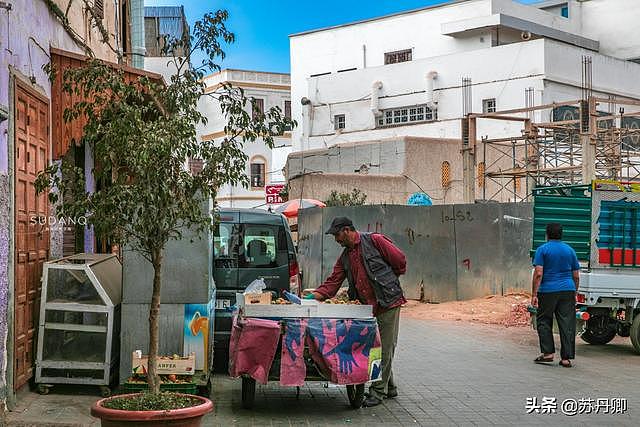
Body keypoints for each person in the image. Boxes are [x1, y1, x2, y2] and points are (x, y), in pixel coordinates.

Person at [304, 216, 407, 406]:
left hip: (387, 303)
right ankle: (389, 387)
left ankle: (377, 393)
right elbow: (333, 283)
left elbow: (400, 261)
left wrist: (389, 280)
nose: (336, 239)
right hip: (367, 308)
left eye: (337, 235)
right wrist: (312, 298)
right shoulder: (345, 257)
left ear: (346, 230)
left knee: (384, 348)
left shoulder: (375, 241)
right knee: (378, 347)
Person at [531, 222, 580, 368]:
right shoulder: (570, 250)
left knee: (544, 320)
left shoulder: (542, 249)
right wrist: (575, 292)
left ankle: (548, 353)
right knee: (567, 323)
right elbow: (576, 276)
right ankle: (566, 358)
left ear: (547, 234)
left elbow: (539, 273)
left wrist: (534, 294)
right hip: (567, 290)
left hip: (547, 290)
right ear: (561, 234)